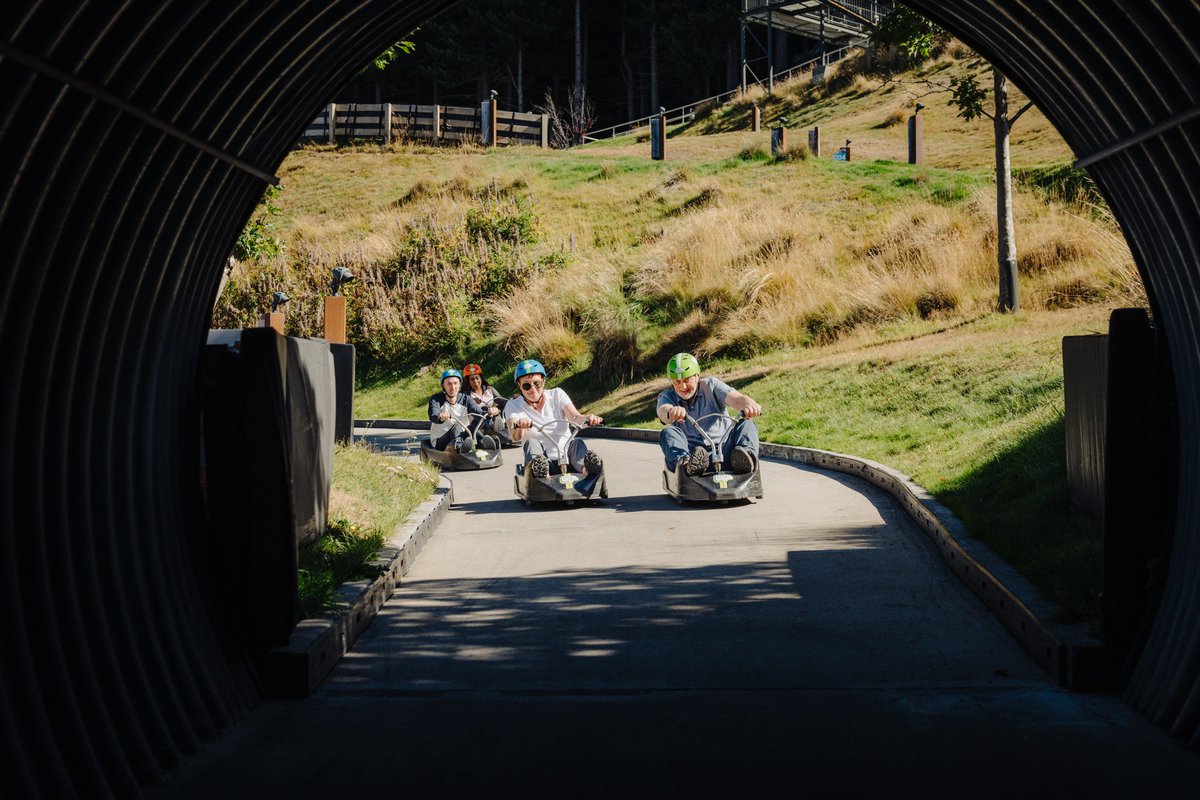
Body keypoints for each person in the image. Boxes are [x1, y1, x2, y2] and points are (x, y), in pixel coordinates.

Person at [656, 352, 763, 476]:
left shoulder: (711, 385)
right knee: (668, 432)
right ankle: (686, 466)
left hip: (725, 451)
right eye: (677, 382)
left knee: (746, 423)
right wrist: (671, 411)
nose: (683, 386)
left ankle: (746, 459)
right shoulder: (667, 397)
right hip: (693, 455)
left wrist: (750, 405)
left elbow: (737, 398)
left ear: (697, 376)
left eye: (687, 380)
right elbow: (662, 411)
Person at [503, 359, 604, 479]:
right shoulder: (513, 405)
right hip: (543, 462)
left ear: (543, 381)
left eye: (537, 383)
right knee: (532, 442)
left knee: (577, 443)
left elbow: (575, 417)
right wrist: (520, 425)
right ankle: (543, 477)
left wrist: (590, 418)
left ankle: (587, 471)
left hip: (568, 457)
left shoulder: (557, 394)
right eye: (526, 385)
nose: (533, 389)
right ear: (519, 386)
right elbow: (515, 436)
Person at [428, 369, 496, 452]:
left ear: (460, 384)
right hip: (440, 441)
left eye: (455, 383)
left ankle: (483, 443)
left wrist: (489, 413)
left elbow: (478, 412)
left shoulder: (466, 399)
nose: (453, 387)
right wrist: (440, 416)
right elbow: (433, 414)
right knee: (456, 427)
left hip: (462, 436)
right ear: (443, 385)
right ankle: (461, 448)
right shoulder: (436, 399)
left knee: (473, 428)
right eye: (449, 384)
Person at [462, 363, 505, 438]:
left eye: (477, 378)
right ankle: (493, 434)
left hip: (492, 418)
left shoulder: (490, 390)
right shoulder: (466, 395)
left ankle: (496, 430)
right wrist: (471, 401)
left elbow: (503, 402)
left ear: (481, 378)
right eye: (472, 379)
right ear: (468, 381)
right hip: (476, 424)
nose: (475, 381)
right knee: (484, 409)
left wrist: (497, 410)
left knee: (491, 411)